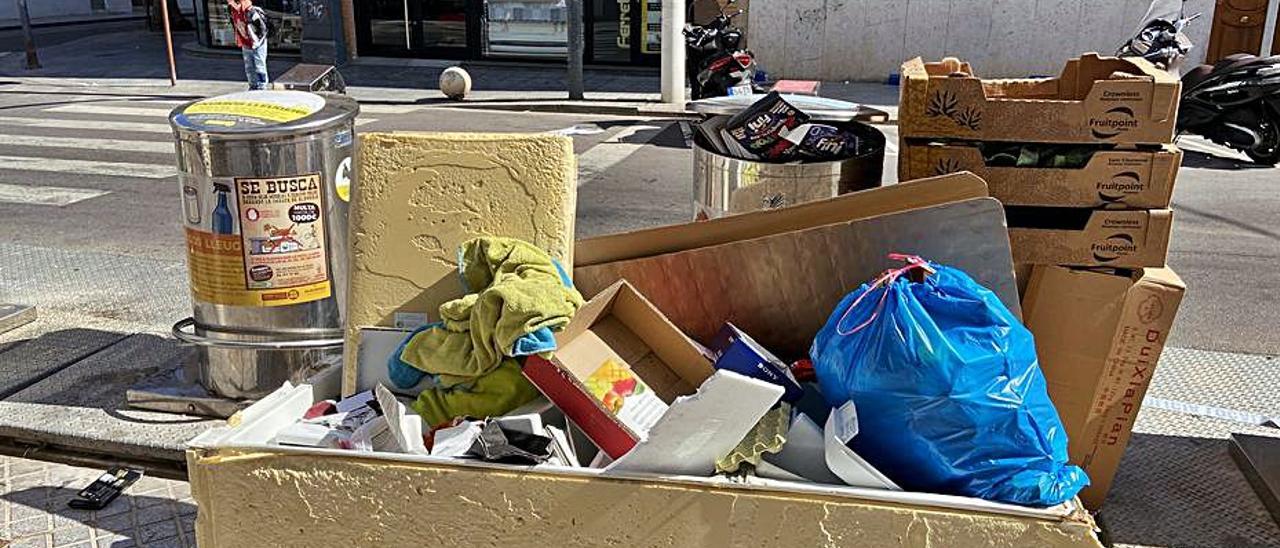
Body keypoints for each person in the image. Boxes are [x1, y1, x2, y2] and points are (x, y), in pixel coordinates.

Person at [228, 0, 269, 90]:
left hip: (257, 44)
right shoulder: (232, 11)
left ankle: (262, 86)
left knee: (260, 66)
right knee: (249, 67)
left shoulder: (250, 11)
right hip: (246, 43)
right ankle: (253, 85)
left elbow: (262, 28)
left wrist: (257, 42)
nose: (230, 4)